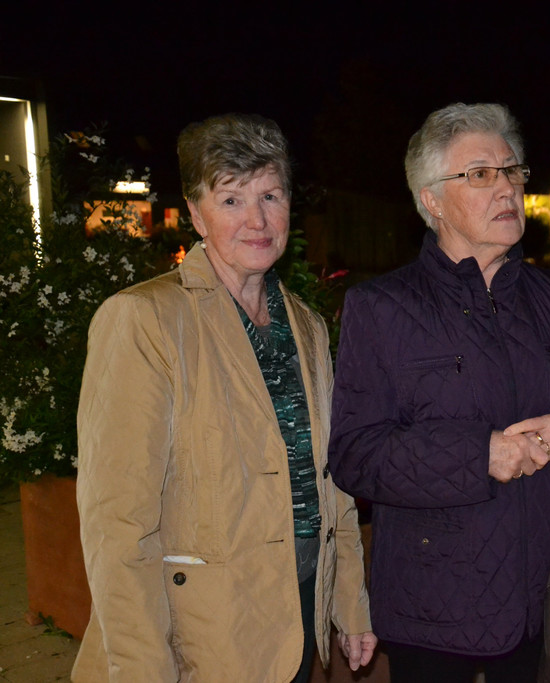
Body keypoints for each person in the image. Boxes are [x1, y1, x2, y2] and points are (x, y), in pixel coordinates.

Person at [328, 102, 550, 683]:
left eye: (512, 171)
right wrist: (478, 454)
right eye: (481, 174)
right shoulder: (381, 308)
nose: (507, 188)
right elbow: (356, 454)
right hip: (431, 616)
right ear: (432, 200)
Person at [73, 114, 376, 682]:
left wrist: (349, 604)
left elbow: (331, 478)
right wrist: (142, 669)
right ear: (195, 213)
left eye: (270, 196)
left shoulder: (307, 326)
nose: (257, 221)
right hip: (202, 633)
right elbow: (118, 524)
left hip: (300, 608)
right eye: (232, 200)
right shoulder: (145, 320)